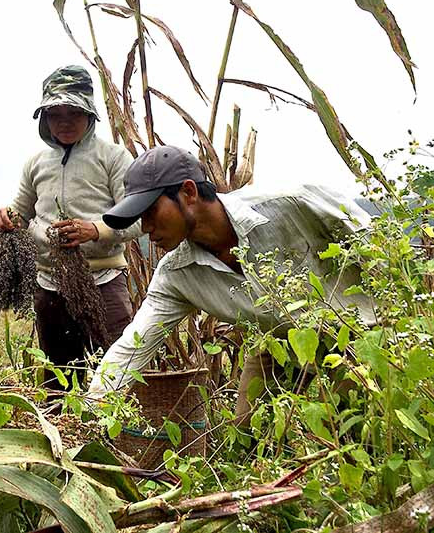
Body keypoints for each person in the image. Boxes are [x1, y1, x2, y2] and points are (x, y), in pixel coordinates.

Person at [87, 145, 374, 424]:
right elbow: (131, 349)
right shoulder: (176, 275)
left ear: (188, 192)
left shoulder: (293, 203)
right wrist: (87, 414)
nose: (146, 228)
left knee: (346, 426)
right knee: (248, 430)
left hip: (357, 331)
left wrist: (393, 320)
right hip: (280, 341)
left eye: (151, 212)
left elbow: (377, 244)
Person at [0, 64, 143, 379]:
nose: (64, 123)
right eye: (55, 115)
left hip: (103, 282)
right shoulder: (36, 163)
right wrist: (7, 218)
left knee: (116, 374)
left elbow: (138, 219)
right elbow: (21, 213)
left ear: (90, 114)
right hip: (50, 286)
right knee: (58, 380)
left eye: (73, 113)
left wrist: (95, 230)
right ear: (44, 118)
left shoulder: (113, 157)